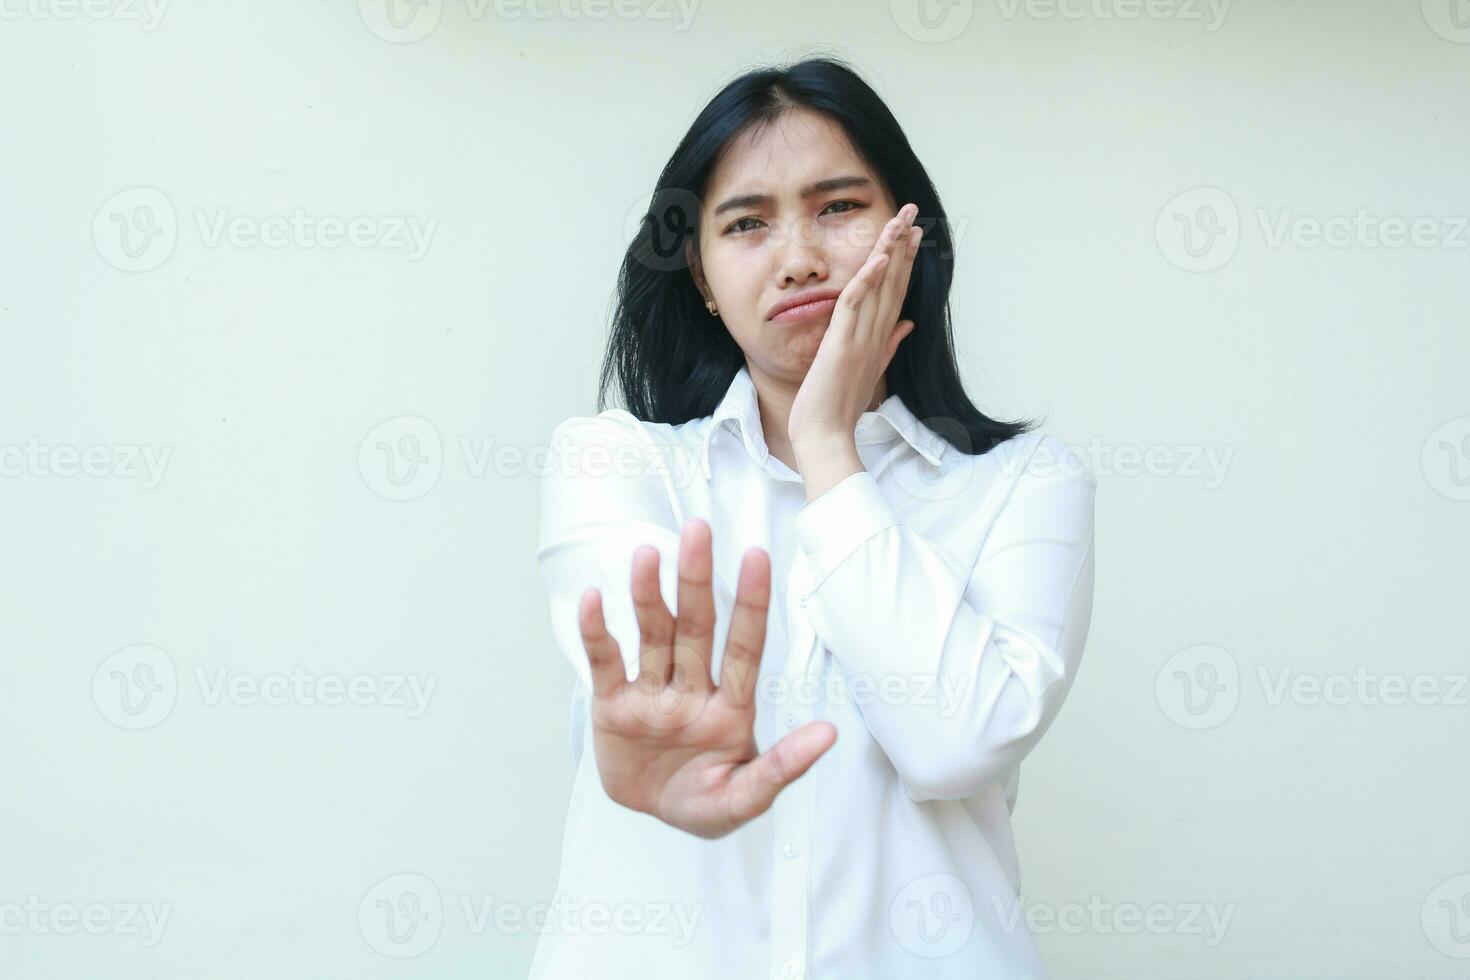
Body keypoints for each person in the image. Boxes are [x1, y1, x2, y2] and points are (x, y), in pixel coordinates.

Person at [531, 55, 1098, 980]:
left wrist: (827, 444)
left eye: (838, 207)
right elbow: (648, 707)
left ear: (911, 238)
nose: (799, 257)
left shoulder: (1023, 484)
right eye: (747, 223)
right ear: (704, 279)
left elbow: (954, 742)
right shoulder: (615, 463)